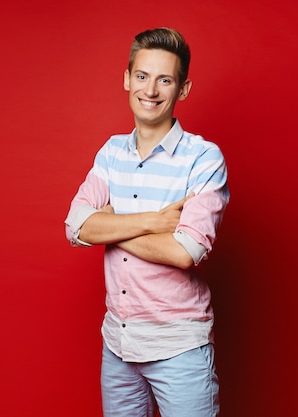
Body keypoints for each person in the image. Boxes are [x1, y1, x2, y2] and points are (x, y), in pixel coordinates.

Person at [64, 27, 229, 417]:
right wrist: (155, 221)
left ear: (182, 89)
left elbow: (185, 251)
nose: (150, 90)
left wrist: (110, 224)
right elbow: (75, 226)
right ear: (127, 79)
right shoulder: (109, 153)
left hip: (179, 347)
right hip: (117, 345)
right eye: (142, 76)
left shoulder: (204, 159)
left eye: (164, 80)